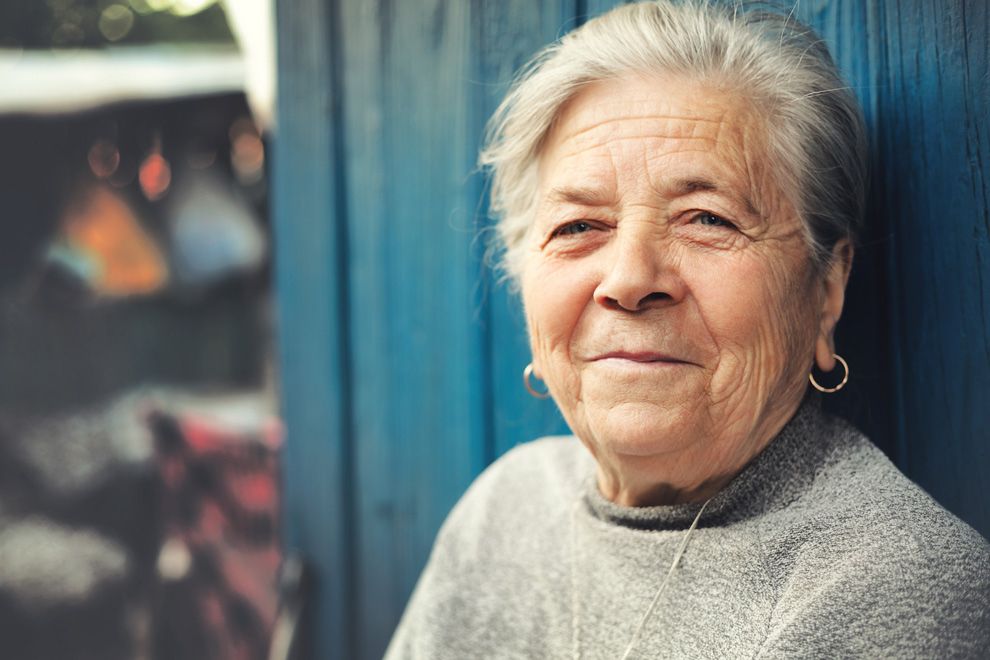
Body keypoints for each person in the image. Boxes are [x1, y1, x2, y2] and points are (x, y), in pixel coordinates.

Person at [384, 1, 990, 658]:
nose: (629, 278)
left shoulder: (891, 589)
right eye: (578, 226)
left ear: (826, 290)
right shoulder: (504, 511)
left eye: (708, 219)